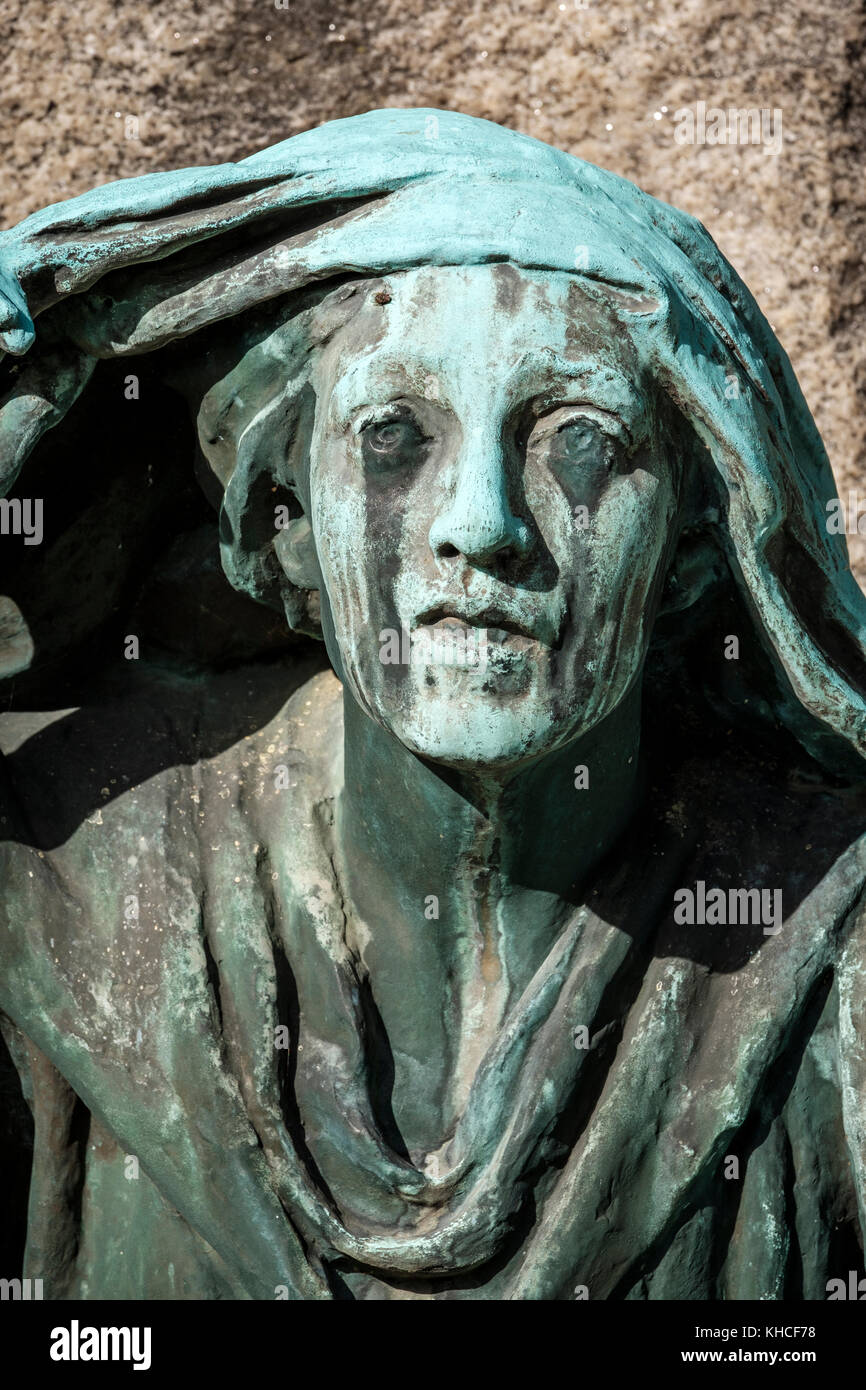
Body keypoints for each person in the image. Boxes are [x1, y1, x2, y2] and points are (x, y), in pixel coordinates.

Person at [1, 107, 866, 1301]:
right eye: (393, 435)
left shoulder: (831, 946)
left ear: (690, 552)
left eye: (576, 441)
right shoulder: (51, 876)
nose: (480, 527)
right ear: (286, 525)